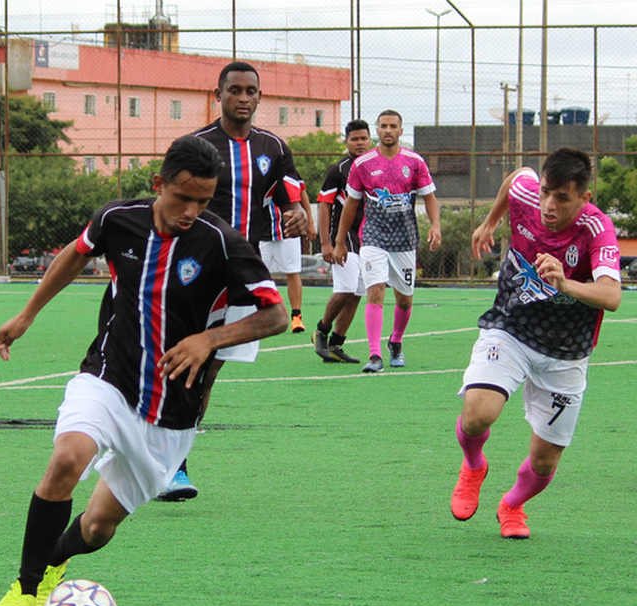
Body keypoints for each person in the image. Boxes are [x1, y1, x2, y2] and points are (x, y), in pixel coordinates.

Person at [0, 136, 288, 606]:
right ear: (157, 184)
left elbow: (276, 315)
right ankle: (26, 589)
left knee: (99, 528)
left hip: (171, 414)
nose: (191, 210)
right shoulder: (116, 218)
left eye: (203, 201)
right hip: (109, 377)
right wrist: (26, 315)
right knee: (67, 458)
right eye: (182, 197)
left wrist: (210, 340)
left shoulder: (222, 243)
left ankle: (55, 563)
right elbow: (76, 254)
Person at [449, 148, 622, 539]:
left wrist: (566, 283)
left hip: (566, 352)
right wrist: (490, 222)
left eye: (561, 198)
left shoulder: (597, 230)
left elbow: (612, 297)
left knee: (544, 463)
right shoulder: (528, 193)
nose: (547, 205)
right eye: (546, 192)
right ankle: (474, 464)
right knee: (478, 412)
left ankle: (512, 504)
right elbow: (515, 178)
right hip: (511, 328)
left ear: (584, 198)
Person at [158, 61, 309, 501]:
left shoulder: (273, 146)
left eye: (251, 91)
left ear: (259, 97)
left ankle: (174, 456)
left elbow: (288, 191)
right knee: (187, 361)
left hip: (245, 271)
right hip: (194, 270)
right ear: (218, 94)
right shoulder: (195, 146)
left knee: (210, 366)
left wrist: (297, 212)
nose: (243, 98)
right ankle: (171, 462)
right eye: (235, 90)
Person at [333, 109, 442, 373]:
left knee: (404, 300)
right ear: (377, 130)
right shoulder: (363, 165)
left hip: (404, 239)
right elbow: (350, 205)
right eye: (383, 126)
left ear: (401, 130)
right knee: (375, 292)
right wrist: (339, 240)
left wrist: (436, 225)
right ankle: (374, 355)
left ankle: (396, 340)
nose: (388, 130)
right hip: (373, 237)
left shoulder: (415, 162)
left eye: (393, 126)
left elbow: (429, 197)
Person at [312, 119, 372, 363]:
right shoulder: (339, 170)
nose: (359, 143)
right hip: (343, 237)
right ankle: (321, 331)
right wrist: (326, 243)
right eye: (354, 139)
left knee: (357, 292)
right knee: (345, 288)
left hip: (368, 237)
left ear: (370, 140)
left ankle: (337, 344)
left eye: (363, 138)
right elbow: (325, 206)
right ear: (346, 141)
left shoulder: (376, 166)